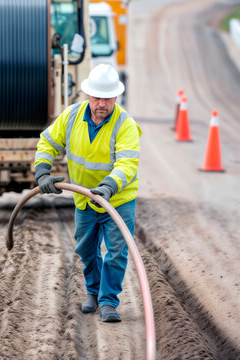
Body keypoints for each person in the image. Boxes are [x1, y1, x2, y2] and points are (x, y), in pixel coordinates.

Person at [33, 64, 141, 322]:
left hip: (118, 199)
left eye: (107, 98)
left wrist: (108, 186)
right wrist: (42, 171)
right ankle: (93, 292)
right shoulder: (71, 116)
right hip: (84, 196)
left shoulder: (125, 125)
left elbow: (127, 164)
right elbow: (48, 141)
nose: (101, 103)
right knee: (86, 248)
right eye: (96, 97)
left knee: (116, 251)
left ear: (116, 97)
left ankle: (108, 302)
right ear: (87, 95)